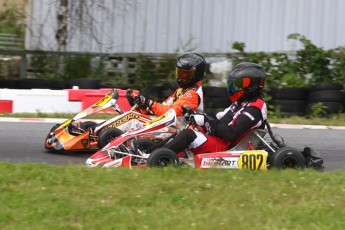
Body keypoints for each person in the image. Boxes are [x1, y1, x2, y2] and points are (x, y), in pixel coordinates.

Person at [162, 62, 268, 155]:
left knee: (188, 135)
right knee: (186, 129)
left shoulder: (254, 109)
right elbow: (220, 117)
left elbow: (230, 133)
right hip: (220, 140)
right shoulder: (240, 102)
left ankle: (159, 157)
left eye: (239, 84)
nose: (235, 88)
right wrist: (200, 117)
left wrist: (207, 121)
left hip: (227, 147)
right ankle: (151, 152)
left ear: (252, 85)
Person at [126, 53, 206, 116]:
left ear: (197, 74)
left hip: (181, 131)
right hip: (171, 126)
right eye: (179, 73)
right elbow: (163, 108)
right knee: (135, 117)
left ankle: (113, 134)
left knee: (133, 120)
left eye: (185, 74)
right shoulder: (181, 90)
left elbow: (172, 113)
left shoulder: (192, 94)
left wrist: (148, 102)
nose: (181, 77)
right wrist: (142, 106)